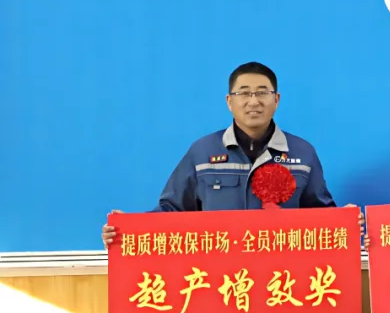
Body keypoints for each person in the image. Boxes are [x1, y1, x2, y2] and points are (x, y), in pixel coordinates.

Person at [102, 62, 362, 246]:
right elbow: (172, 210)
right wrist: (129, 229)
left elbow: (320, 217)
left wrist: (346, 220)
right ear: (230, 101)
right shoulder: (203, 152)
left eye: (262, 92)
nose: (253, 101)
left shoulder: (302, 154)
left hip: (282, 278)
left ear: (276, 99)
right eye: (244, 93)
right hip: (221, 279)